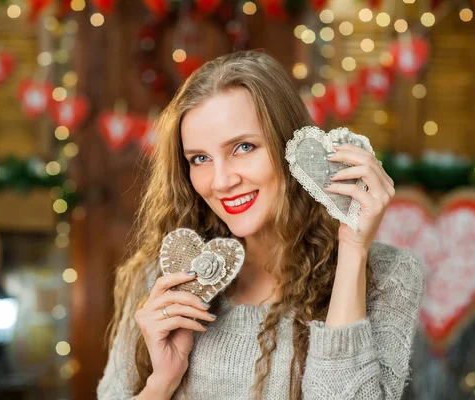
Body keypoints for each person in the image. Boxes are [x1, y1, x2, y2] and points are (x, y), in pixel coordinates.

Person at [96, 49, 424, 399]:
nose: (220, 181)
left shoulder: (389, 277)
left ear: (289, 146)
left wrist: (354, 250)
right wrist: (162, 380)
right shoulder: (159, 279)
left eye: (243, 147)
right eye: (200, 158)